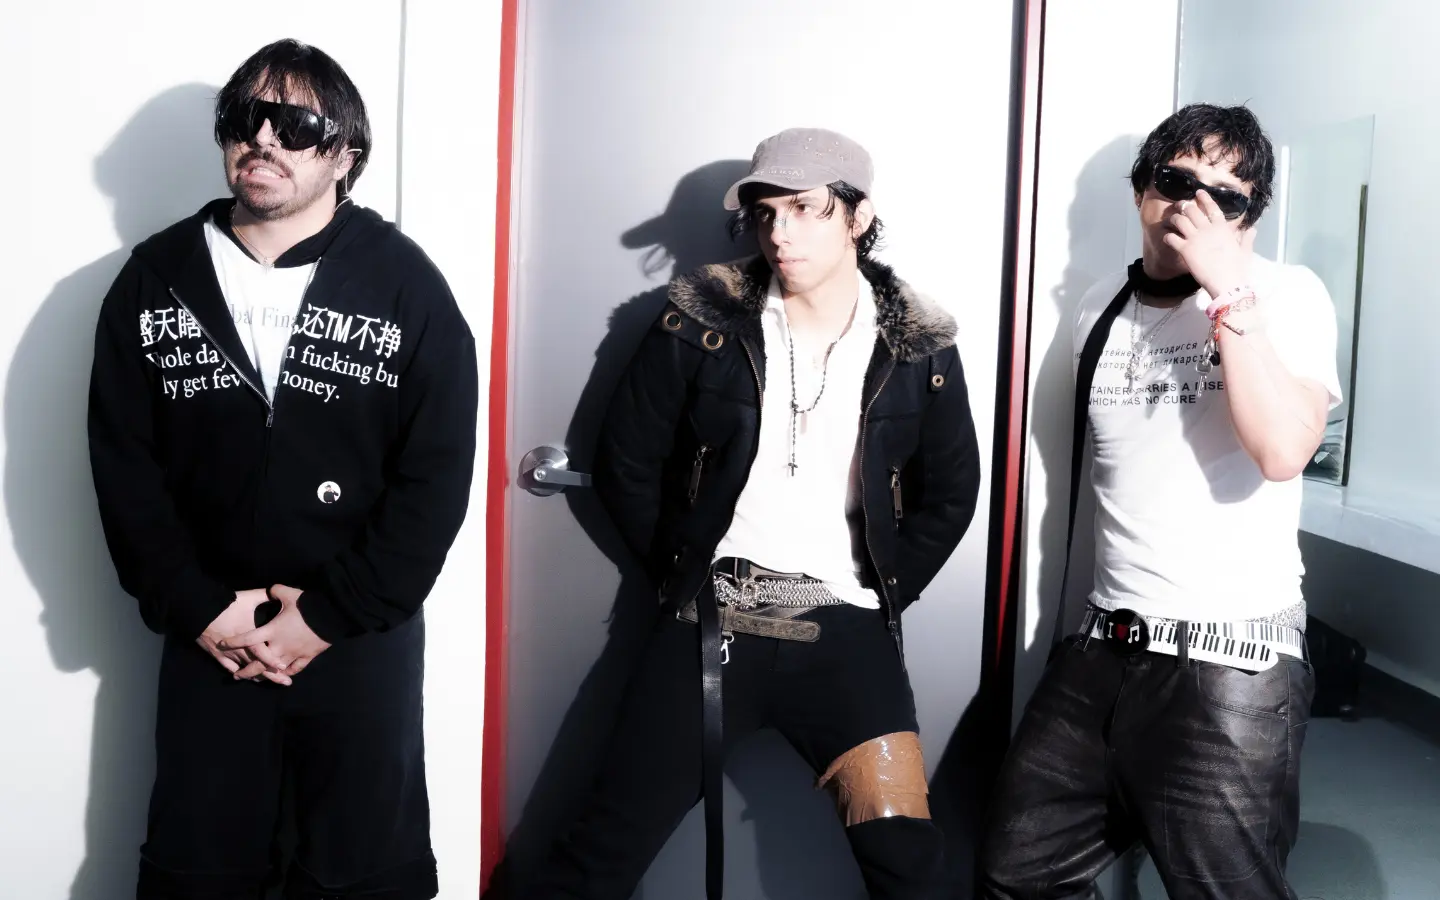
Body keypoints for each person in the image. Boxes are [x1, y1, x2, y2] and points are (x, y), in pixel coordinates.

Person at [525, 128, 982, 900]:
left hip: (848, 639)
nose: (780, 232)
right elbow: (627, 462)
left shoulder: (919, 347)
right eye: (767, 212)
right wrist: (684, 576)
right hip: (712, 626)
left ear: (859, 216)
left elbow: (952, 493)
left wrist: (879, 593)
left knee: (911, 863)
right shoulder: (698, 324)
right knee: (601, 851)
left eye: (805, 208)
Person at [87, 38, 477, 899]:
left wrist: (333, 614)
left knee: (360, 872)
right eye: (245, 118)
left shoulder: (404, 284)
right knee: (201, 870)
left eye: (296, 123)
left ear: (345, 154)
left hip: (356, 638)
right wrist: (197, 606)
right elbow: (124, 469)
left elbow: (437, 475)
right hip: (211, 637)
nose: (263, 138)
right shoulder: (157, 278)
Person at [980, 103, 1341, 900]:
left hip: (1231, 663)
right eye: (1177, 182)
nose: (1196, 207)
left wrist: (1227, 293)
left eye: (1226, 196)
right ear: (1142, 189)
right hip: (1102, 648)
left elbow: (1284, 450)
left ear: (1251, 216)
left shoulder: (1286, 294)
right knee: (1014, 875)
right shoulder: (1097, 306)